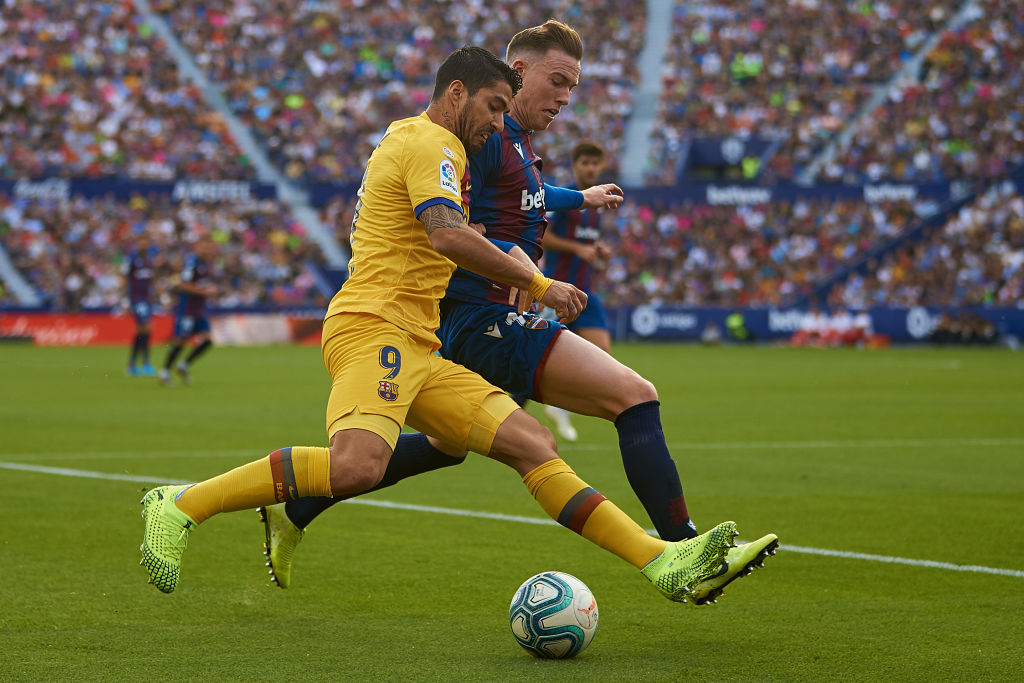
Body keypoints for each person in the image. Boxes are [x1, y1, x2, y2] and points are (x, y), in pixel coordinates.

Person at [139, 46, 740, 603]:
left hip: (419, 341)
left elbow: (463, 226)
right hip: (375, 326)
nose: (498, 122)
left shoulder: (421, 141)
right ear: (457, 92)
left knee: (531, 444)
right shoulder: (433, 143)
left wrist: (560, 210)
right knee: (356, 466)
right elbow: (448, 235)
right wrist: (539, 284)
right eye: (494, 107)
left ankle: (662, 560)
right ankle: (182, 502)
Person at [538, 140, 613, 440]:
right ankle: (508, 414)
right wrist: (577, 248)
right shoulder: (568, 199)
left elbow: (586, 243)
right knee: (536, 356)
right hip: (557, 290)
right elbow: (542, 236)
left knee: (602, 355)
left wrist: (598, 250)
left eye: (595, 163)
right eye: (585, 163)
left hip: (586, 292)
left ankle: (559, 406)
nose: (590, 168)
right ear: (575, 165)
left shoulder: (596, 207)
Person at [159, 236, 217, 386]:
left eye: (209, 246)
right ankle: (164, 372)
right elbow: (183, 285)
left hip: (199, 309)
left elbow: (200, 284)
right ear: (197, 246)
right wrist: (204, 292)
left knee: (208, 340)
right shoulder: (192, 262)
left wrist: (210, 289)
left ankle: (183, 366)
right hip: (187, 309)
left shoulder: (206, 264)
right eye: (205, 245)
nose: (207, 249)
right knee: (180, 340)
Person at [124, 232, 157, 377]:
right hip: (137, 298)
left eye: (146, 241)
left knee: (144, 330)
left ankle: (134, 364)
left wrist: (155, 295)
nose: (144, 243)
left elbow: (151, 280)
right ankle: (143, 363)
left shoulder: (149, 260)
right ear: (137, 243)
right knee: (145, 327)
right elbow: (125, 279)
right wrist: (125, 300)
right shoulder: (132, 259)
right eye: (141, 241)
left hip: (147, 299)